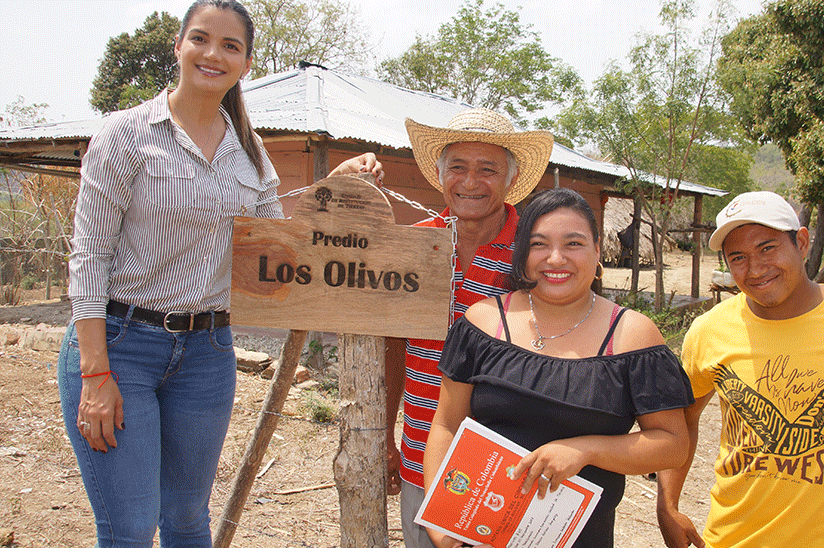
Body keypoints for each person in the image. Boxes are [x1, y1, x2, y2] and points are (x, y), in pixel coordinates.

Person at [57, 2, 380, 546]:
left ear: (247, 62)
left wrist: (334, 188)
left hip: (206, 355)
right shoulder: (125, 136)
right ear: (178, 46)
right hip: (119, 348)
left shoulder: (250, 156)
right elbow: (89, 259)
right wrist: (95, 377)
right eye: (201, 39)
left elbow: (275, 249)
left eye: (230, 46)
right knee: (131, 530)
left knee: (187, 521)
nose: (214, 54)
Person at [656, 191, 824, 548]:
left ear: (801, 242)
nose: (754, 269)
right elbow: (681, 420)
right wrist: (668, 505)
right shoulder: (709, 330)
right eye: (738, 257)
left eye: (767, 248)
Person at [424, 188, 694, 548]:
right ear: (522, 254)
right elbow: (446, 424)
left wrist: (585, 450)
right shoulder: (483, 323)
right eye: (539, 244)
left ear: (597, 252)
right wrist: (441, 526)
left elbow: (673, 445)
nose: (555, 258)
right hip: (479, 534)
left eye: (573, 244)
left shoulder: (633, 336)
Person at [385, 107, 553, 548]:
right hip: (423, 447)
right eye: (457, 167)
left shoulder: (534, 253)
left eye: (487, 169)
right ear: (440, 176)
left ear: (512, 179)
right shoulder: (416, 242)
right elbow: (392, 345)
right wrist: (387, 434)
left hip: (509, 460)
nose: (471, 181)